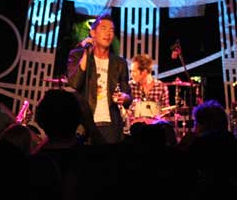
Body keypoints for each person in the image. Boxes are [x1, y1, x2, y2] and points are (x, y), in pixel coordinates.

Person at [67, 13, 131, 144]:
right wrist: (86, 52)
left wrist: (125, 97)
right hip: (84, 124)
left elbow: (128, 96)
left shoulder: (120, 63)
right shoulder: (77, 55)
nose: (108, 33)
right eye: (104, 28)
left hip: (110, 125)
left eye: (111, 30)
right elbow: (75, 83)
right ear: (93, 32)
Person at [129, 53, 169, 117]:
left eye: (134, 71)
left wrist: (157, 118)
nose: (131, 74)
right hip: (135, 125)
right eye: (131, 71)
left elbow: (166, 111)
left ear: (144, 72)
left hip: (155, 125)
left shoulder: (161, 87)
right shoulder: (130, 86)